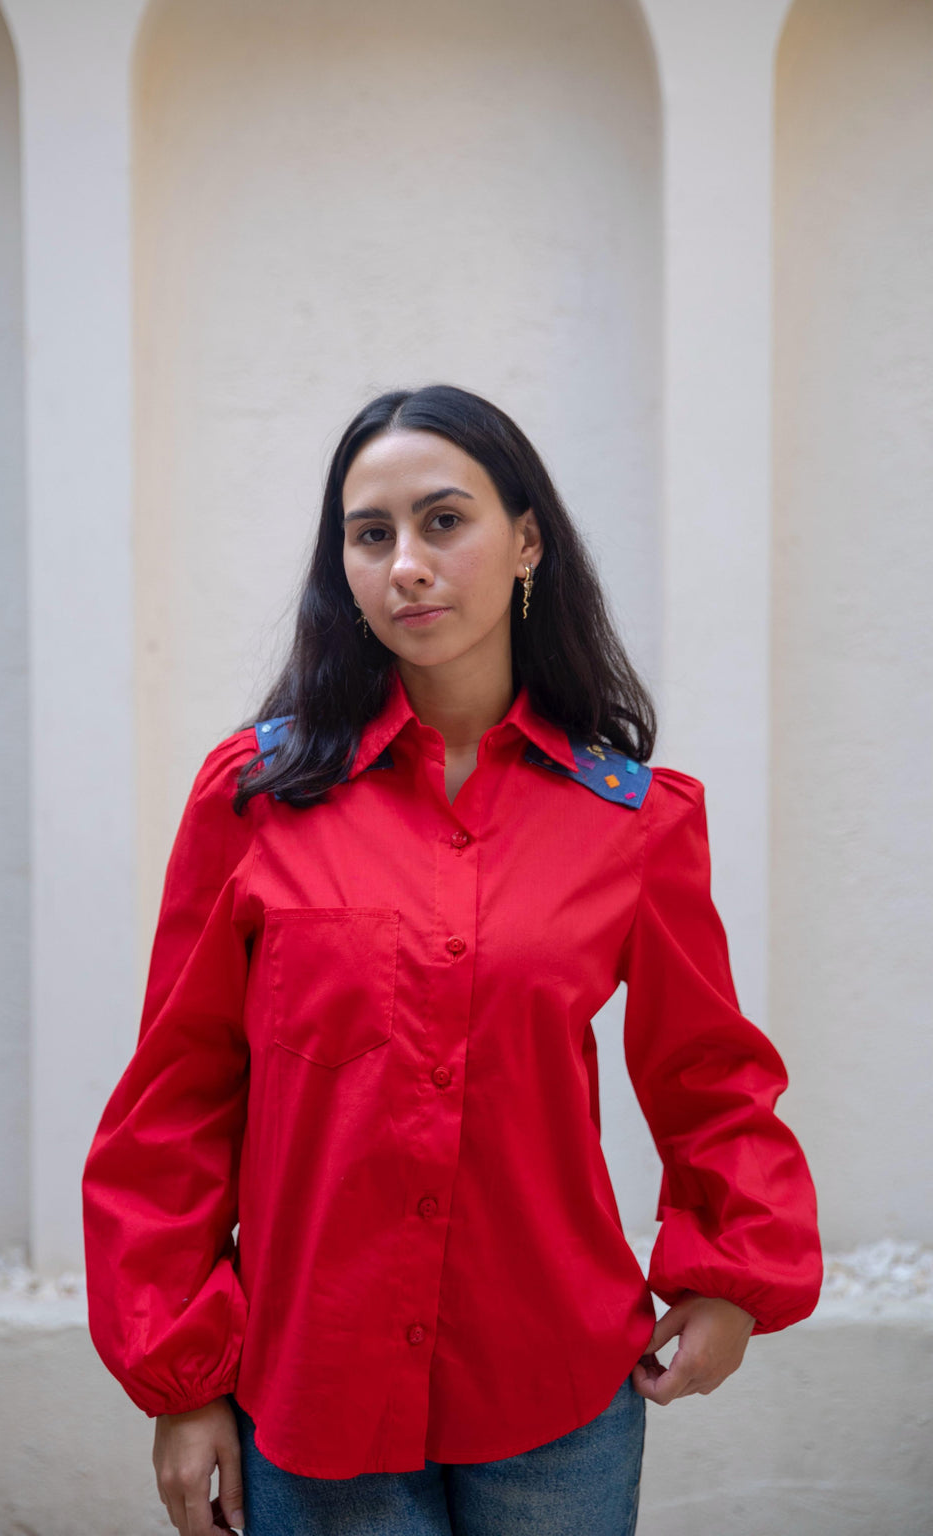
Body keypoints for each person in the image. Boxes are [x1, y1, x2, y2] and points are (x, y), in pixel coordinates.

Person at [82, 384, 823, 1536]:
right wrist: (180, 1384)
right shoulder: (254, 801)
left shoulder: (632, 820)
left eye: (442, 522)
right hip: (314, 1394)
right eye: (370, 536)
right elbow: (175, 1101)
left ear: (525, 540)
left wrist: (728, 1276)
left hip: (558, 1393)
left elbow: (710, 1076)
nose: (405, 565)